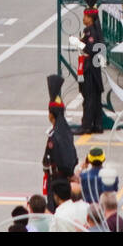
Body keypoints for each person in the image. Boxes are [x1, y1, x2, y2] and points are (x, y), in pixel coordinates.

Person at [43, 75, 78, 210]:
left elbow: (55, 159)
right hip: (65, 178)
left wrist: (69, 174)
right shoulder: (66, 131)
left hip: (57, 180)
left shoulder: (54, 136)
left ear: (51, 115)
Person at [76, 0, 106, 134]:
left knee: (89, 98)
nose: (83, 18)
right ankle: (97, 124)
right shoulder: (94, 30)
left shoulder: (90, 31)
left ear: (90, 18)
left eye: (85, 16)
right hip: (94, 69)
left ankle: (86, 125)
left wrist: (77, 43)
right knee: (94, 98)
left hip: (90, 69)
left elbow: (91, 48)